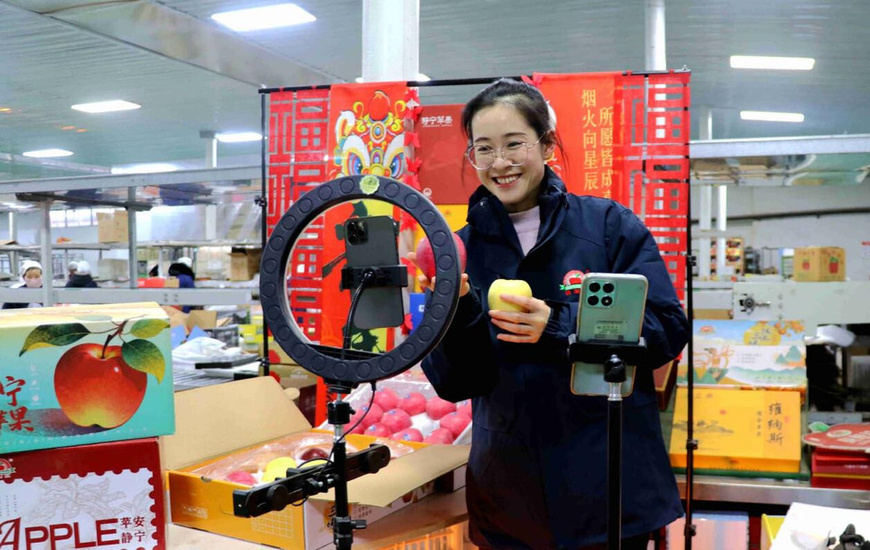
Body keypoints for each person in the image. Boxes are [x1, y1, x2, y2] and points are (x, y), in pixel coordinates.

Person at [410, 79, 689, 549]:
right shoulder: (459, 249)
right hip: (510, 492)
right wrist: (455, 309)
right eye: (484, 149)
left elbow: (666, 330)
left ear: (546, 143)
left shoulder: (607, 226)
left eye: (514, 143)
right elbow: (456, 383)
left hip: (608, 483)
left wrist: (560, 327)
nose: (500, 163)